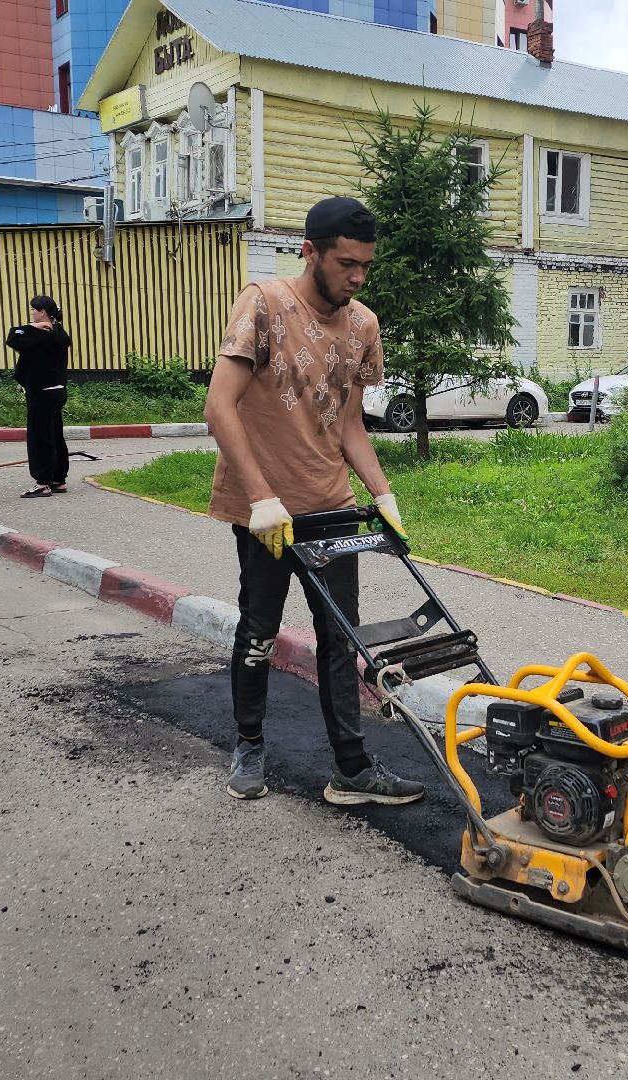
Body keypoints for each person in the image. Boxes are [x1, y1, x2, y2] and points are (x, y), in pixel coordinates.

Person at [203, 196, 423, 807]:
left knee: (340, 636)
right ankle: (249, 744)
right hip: (266, 512)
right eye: (346, 263)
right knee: (259, 631)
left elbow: (350, 422)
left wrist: (383, 493)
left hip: (331, 506)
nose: (357, 276)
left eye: (365, 266)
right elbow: (219, 408)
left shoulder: (363, 324)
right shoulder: (265, 305)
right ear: (310, 251)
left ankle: (350, 770)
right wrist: (261, 499)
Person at [6, 295, 71, 498]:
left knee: (40, 437)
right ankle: (58, 479)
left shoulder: (36, 335)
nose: (32, 314)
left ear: (42, 311)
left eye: (34, 310)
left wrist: (31, 326)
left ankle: (43, 483)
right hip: (58, 390)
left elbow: (12, 337)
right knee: (55, 435)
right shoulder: (60, 333)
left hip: (41, 391)